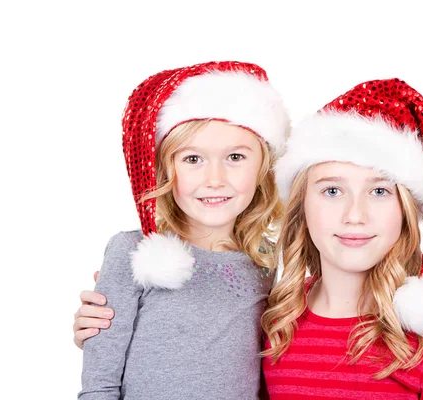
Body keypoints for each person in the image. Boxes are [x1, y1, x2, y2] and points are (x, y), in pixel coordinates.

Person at [261, 78, 423, 399]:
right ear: (302, 207)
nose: (355, 215)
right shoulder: (277, 320)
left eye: (379, 191)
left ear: (405, 212)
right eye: (332, 191)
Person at [78, 61, 289, 399]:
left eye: (235, 157)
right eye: (193, 159)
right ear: (165, 169)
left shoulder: (262, 262)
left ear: (263, 167)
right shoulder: (134, 252)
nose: (215, 179)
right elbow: (99, 385)